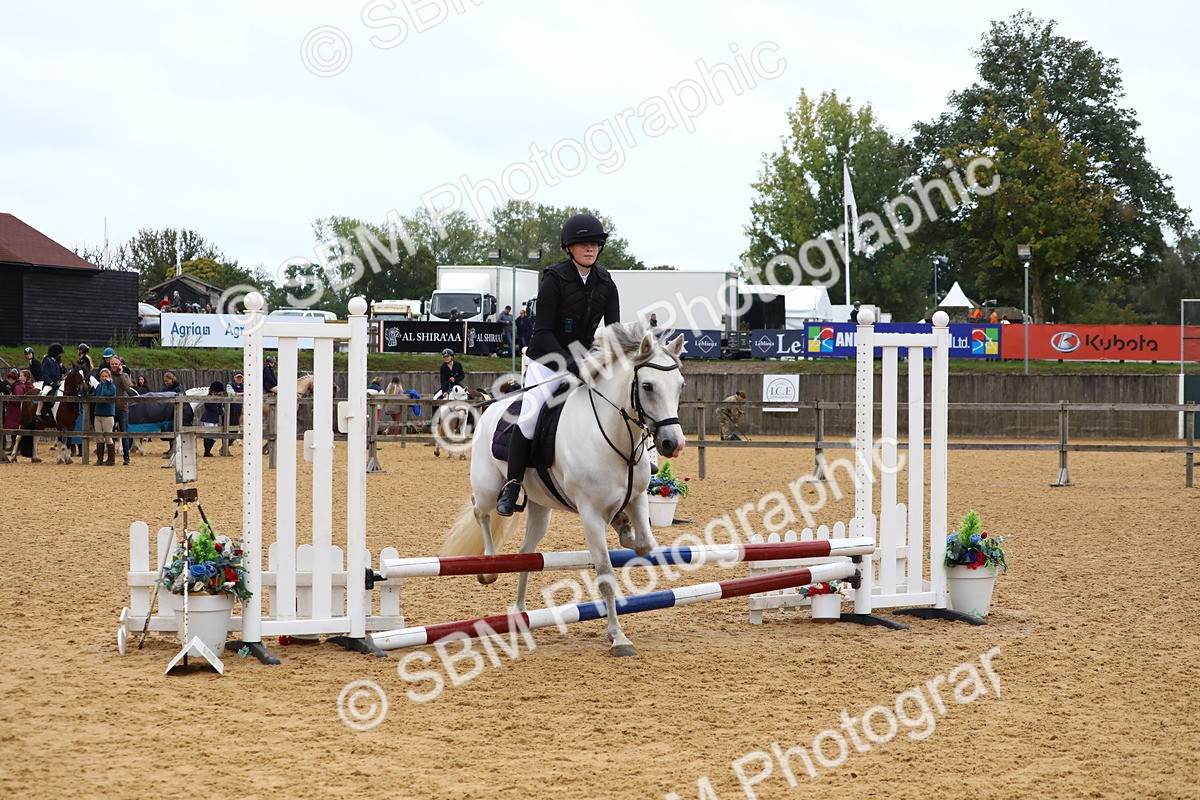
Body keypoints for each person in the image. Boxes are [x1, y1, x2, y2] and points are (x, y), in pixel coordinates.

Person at [496, 212, 620, 516]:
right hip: (546, 360)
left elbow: (614, 331)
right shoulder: (554, 279)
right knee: (530, 415)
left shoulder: (606, 282)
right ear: (568, 248)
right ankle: (512, 484)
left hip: (584, 360)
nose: (590, 248)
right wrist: (569, 363)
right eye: (583, 244)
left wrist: (611, 363)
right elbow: (543, 333)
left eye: (594, 243)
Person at [103, 349, 134, 465]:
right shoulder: (107, 375)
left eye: (116, 364)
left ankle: (127, 458)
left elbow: (127, 387)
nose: (114, 366)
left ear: (120, 365)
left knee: (124, 432)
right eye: (112, 364)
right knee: (109, 433)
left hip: (122, 407)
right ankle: (111, 458)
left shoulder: (124, 375)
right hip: (110, 408)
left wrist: (121, 375)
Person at [92, 367, 117, 466]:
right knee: (99, 437)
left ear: (109, 377)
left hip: (108, 414)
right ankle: (100, 459)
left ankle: (111, 459)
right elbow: (95, 395)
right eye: (102, 376)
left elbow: (104, 395)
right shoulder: (99, 386)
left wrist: (106, 383)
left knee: (108, 437)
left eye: (106, 376)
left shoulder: (111, 387)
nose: (104, 378)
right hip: (98, 414)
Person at [200, 380, 225, 457]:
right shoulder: (208, 397)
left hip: (215, 418)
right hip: (208, 417)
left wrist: (220, 408)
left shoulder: (219, 398)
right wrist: (218, 409)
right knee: (208, 434)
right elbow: (210, 407)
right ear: (215, 391)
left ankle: (208, 450)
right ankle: (206, 451)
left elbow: (221, 407)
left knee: (214, 436)